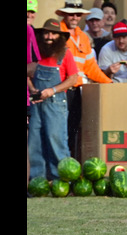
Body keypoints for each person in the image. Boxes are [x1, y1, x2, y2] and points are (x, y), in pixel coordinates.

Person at [57, 2, 111, 160]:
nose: (74, 17)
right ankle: (55, 171)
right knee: (59, 133)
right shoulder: (56, 33)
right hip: (60, 91)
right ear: (64, 14)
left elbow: (91, 68)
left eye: (77, 14)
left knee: (73, 131)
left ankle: (69, 168)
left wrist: (109, 83)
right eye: (71, 14)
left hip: (77, 92)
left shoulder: (83, 38)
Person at [29, 19, 79, 182]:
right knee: (35, 142)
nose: (49, 36)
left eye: (53, 33)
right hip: (36, 104)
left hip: (56, 103)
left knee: (56, 140)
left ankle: (63, 181)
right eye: (46, 33)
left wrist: (52, 90)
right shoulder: (35, 55)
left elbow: (73, 79)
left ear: (60, 36)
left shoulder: (65, 53)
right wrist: (32, 89)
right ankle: (38, 181)